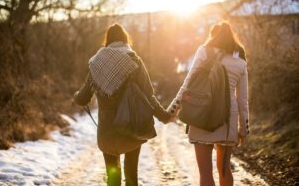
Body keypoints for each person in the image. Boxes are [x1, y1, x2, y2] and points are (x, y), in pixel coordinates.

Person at [73, 24, 171, 186]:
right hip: (131, 127)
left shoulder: (97, 63)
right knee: (131, 175)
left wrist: (76, 97)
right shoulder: (134, 60)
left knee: (113, 176)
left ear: (108, 41)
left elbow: (83, 98)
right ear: (125, 40)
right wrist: (164, 116)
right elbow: (149, 96)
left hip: (107, 131)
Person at [169, 22, 249, 186]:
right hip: (227, 119)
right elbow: (242, 100)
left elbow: (188, 83)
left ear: (214, 36)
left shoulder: (204, 51)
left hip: (202, 115)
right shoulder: (240, 62)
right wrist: (243, 129)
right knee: (225, 168)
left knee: (205, 173)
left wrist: (173, 109)